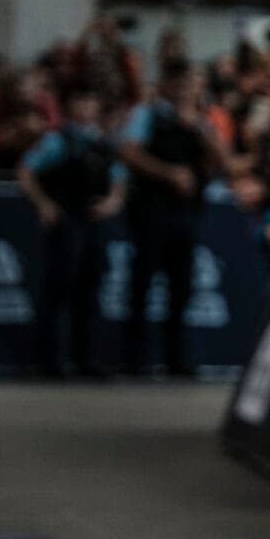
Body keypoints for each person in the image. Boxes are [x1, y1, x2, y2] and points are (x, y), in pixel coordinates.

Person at [115, 66, 218, 376]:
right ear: (169, 86)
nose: (186, 92)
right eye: (181, 85)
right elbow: (128, 151)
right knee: (142, 283)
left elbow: (219, 161)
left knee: (182, 286)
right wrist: (168, 173)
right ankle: (135, 358)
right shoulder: (147, 114)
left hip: (186, 212)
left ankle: (177, 358)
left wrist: (197, 128)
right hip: (151, 210)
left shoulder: (200, 121)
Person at [18, 85, 126, 379]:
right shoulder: (58, 139)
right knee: (59, 290)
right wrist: (44, 204)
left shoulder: (103, 142)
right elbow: (26, 171)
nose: (86, 107)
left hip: (95, 221)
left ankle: (87, 358)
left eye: (91, 101)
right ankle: (51, 360)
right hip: (67, 220)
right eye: (81, 101)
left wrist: (112, 202)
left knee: (91, 290)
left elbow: (118, 179)